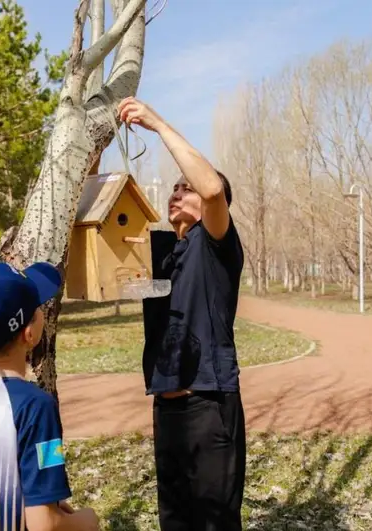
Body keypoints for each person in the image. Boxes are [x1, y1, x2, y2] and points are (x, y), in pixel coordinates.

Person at [119, 96, 246, 531]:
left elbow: (210, 189)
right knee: (174, 522)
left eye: (184, 186)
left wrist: (155, 123)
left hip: (208, 405)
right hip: (166, 408)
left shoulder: (216, 244)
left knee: (214, 524)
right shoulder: (163, 252)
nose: (177, 191)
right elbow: (102, 248)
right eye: (174, 186)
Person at [0, 261, 100, 531]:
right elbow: (43, 525)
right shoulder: (36, 407)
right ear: (29, 333)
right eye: (39, 308)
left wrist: (48, 504)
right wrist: (85, 521)